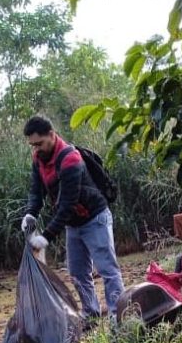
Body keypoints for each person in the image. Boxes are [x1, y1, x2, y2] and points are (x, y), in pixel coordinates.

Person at [21, 115, 124, 322]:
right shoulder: (38, 159)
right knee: (77, 272)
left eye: (39, 143)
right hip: (73, 224)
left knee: (107, 270)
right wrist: (31, 212)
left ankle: (118, 315)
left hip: (95, 218)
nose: (36, 149)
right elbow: (36, 190)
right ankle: (92, 313)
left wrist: (47, 236)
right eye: (33, 145)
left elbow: (67, 203)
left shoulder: (70, 159)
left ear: (52, 134)